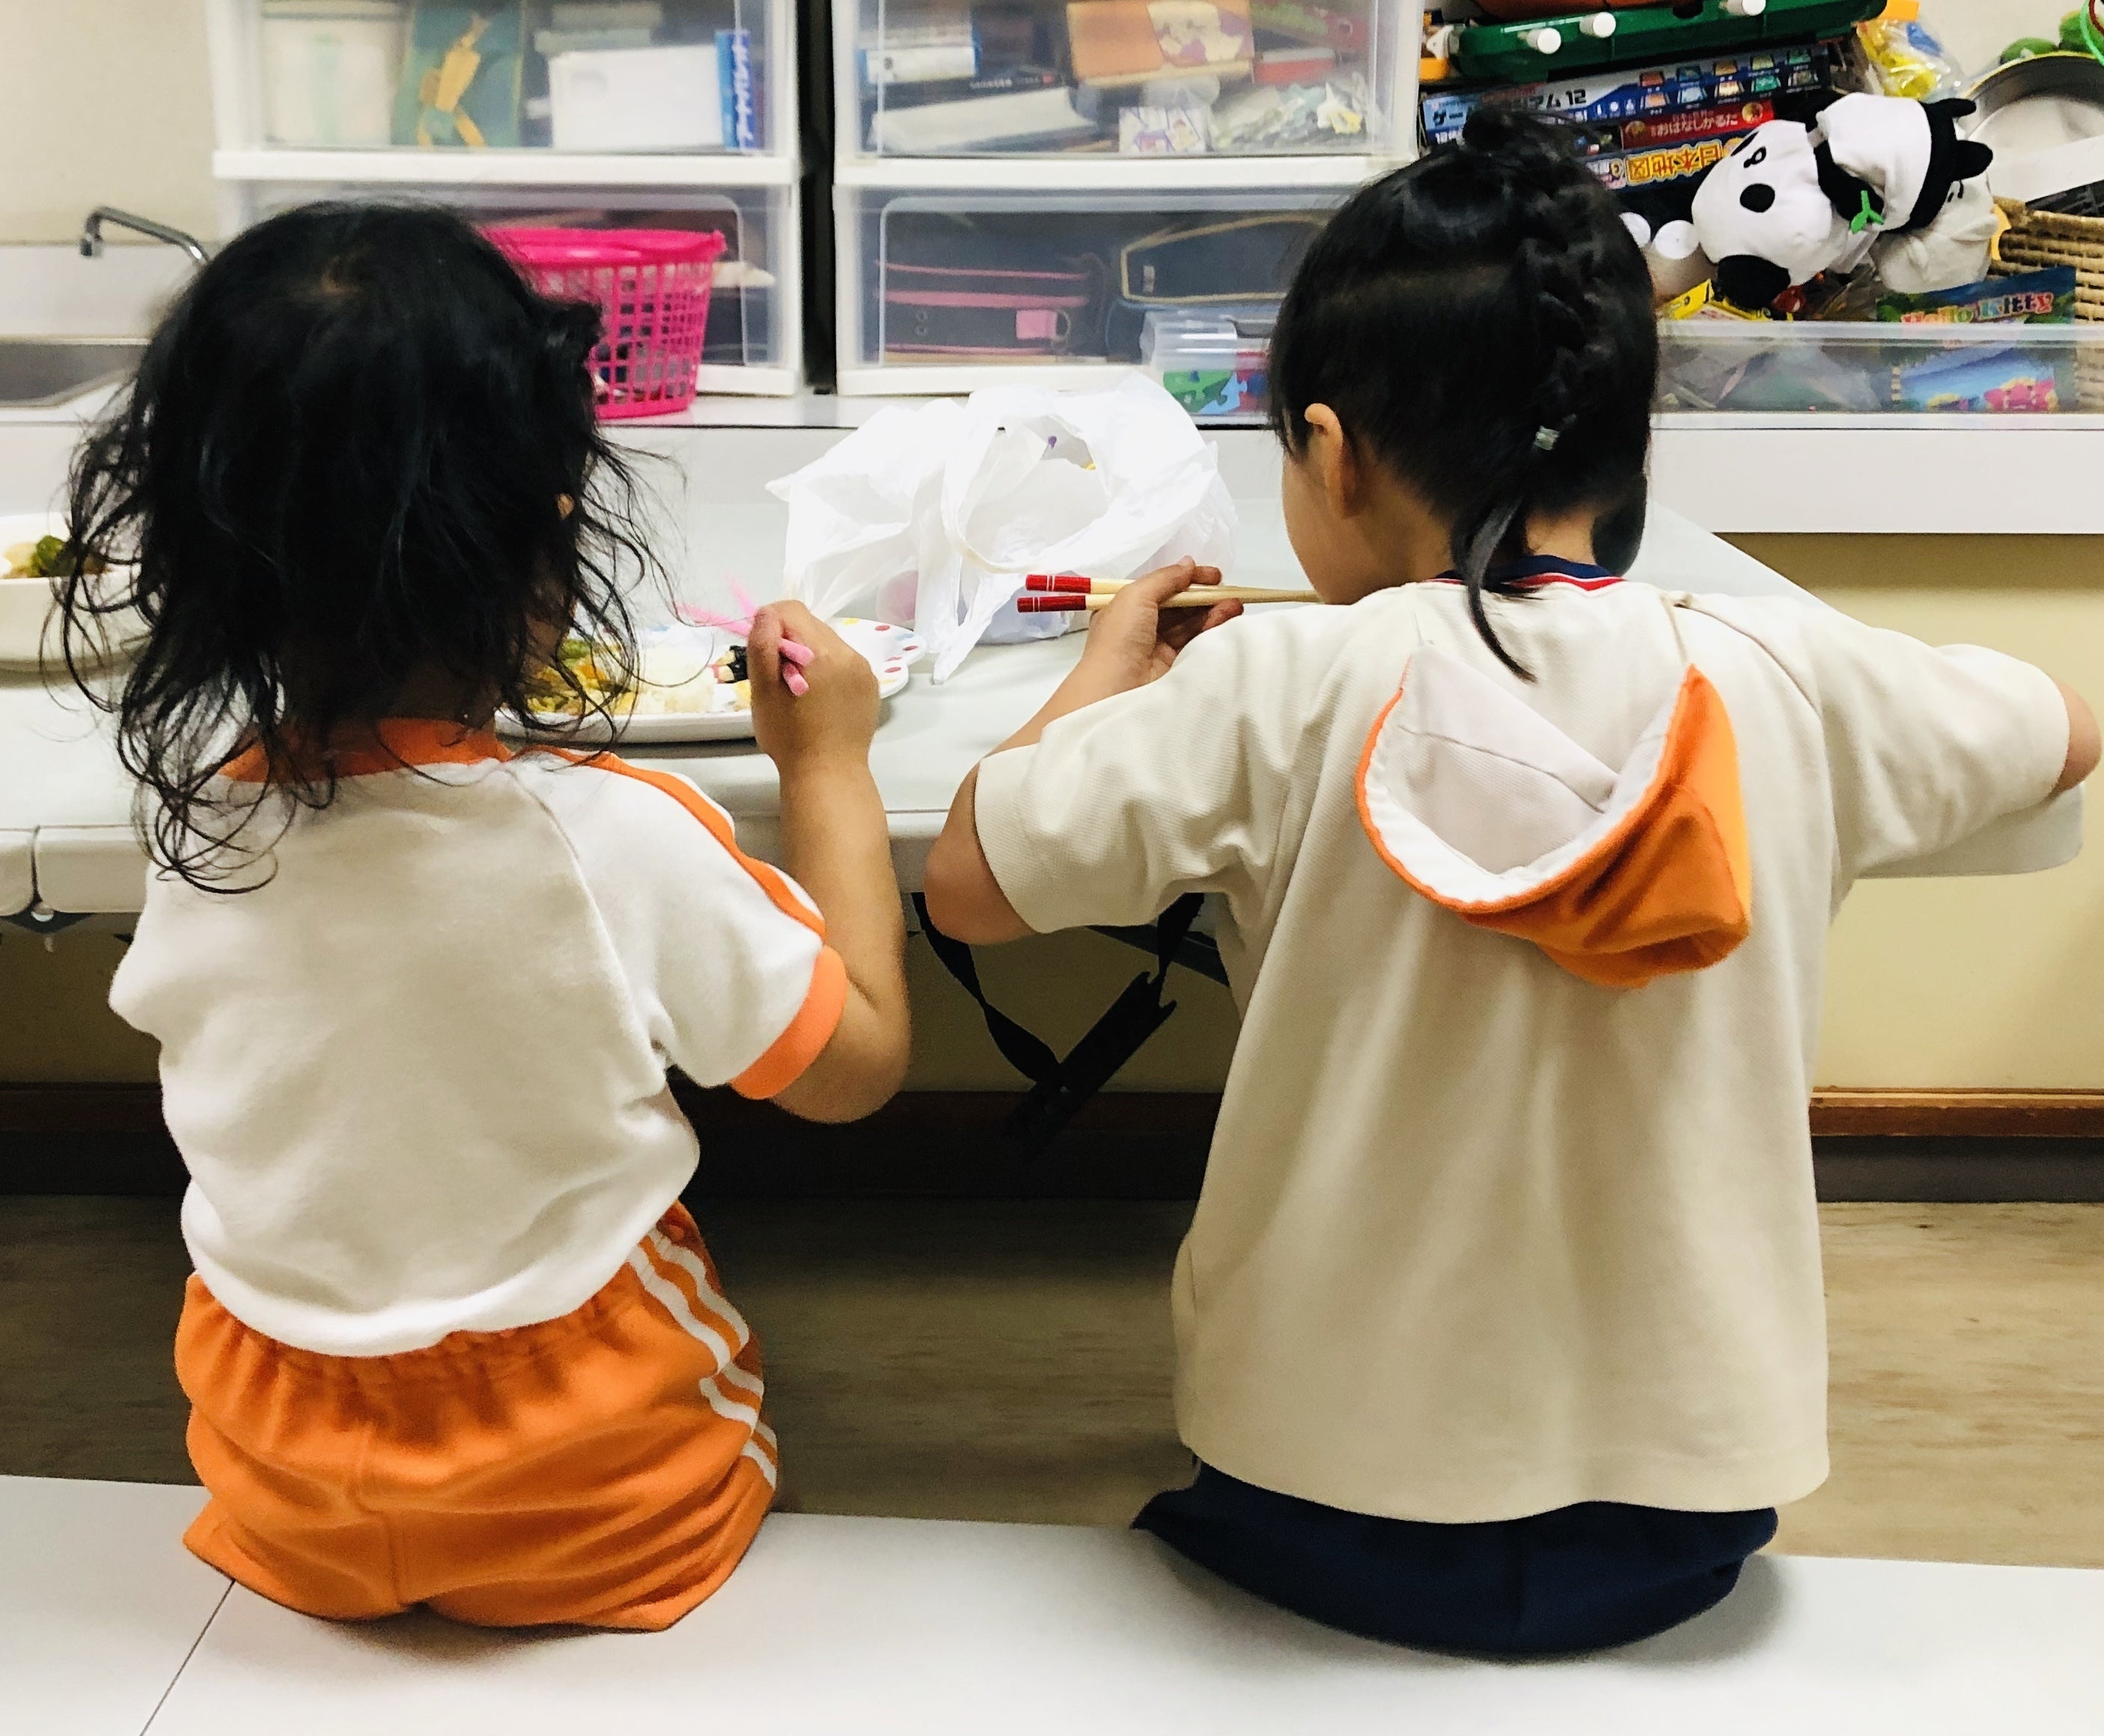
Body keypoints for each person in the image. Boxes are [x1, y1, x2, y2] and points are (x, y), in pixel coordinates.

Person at [921, 111, 2100, 1657]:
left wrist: (1104, 674)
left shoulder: (1281, 676)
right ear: (1624, 444)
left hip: (1319, 1497)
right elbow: (2065, 729)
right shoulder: (1780, 668)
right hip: (1690, 1513)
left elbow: (970, 881)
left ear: (1331, 454)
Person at [58, 204, 909, 1630]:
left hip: (285, 1485)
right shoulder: (608, 838)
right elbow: (858, 1066)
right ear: (545, 539)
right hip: (596, 1499)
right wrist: (828, 765)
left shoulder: (191, 828)